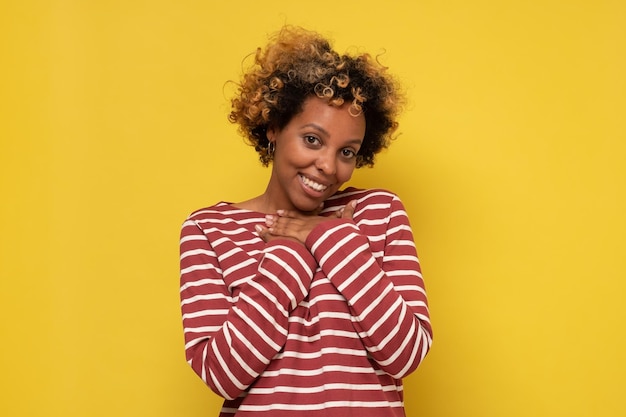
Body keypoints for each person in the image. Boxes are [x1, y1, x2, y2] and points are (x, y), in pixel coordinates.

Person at [179, 26, 433, 417]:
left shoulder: (378, 214)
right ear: (274, 128)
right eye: (313, 140)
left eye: (347, 151)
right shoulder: (209, 230)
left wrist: (330, 236)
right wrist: (292, 253)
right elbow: (223, 373)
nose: (329, 167)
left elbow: (405, 353)